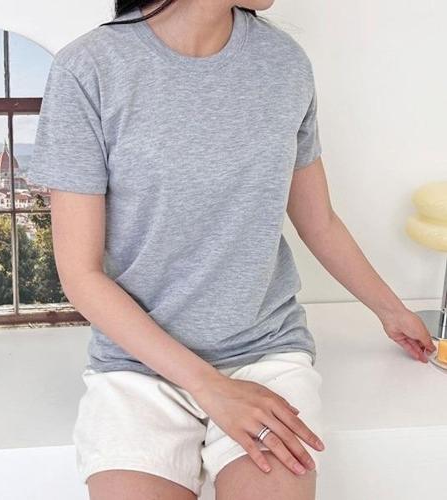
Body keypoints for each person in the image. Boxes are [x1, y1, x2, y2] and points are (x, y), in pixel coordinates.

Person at [27, 1, 437, 498]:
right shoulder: (89, 69)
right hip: (138, 365)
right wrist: (209, 387)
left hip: (263, 353)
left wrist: (391, 310)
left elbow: (319, 221)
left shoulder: (284, 64)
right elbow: (81, 275)